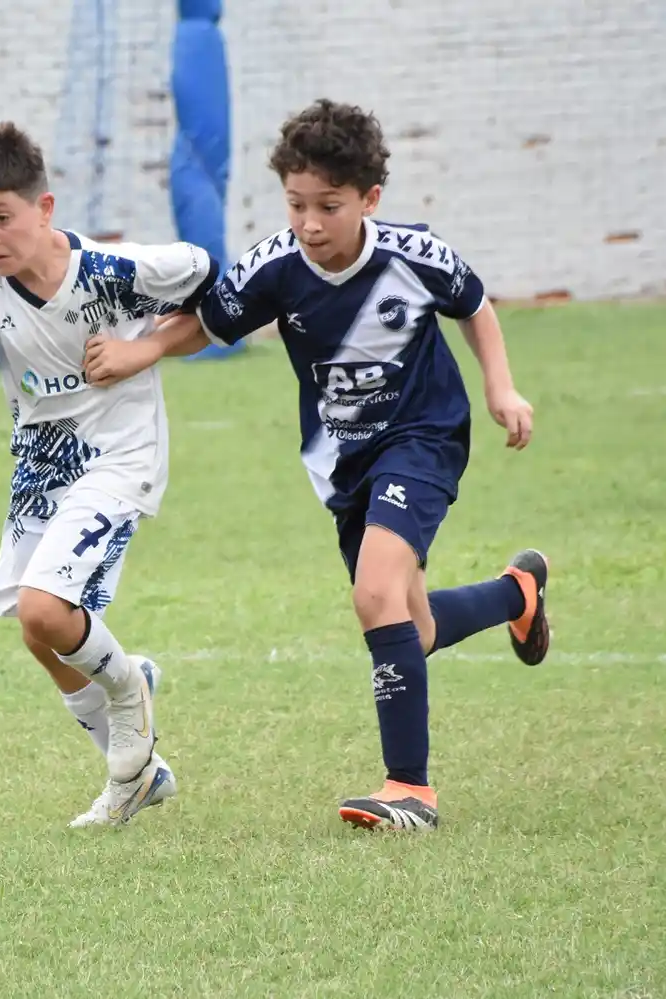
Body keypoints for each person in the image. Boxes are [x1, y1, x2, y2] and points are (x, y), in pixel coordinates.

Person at [84, 99, 550, 832]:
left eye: (328, 206)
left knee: (373, 597)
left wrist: (500, 384)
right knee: (410, 626)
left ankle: (411, 792)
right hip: (342, 462)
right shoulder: (277, 266)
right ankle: (516, 594)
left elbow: (476, 304)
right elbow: (209, 321)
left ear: (369, 198)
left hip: (423, 437)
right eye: (296, 204)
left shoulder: (412, 254)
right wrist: (141, 349)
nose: (309, 223)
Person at [0, 122, 218, 827]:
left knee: (48, 610)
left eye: (2, 217)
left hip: (121, 455)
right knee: (36, 630)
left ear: (44, 210)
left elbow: (213, 294)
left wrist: (146, 350)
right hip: (43, 467)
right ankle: (139, 774)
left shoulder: (116, 271)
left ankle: (130, 688)